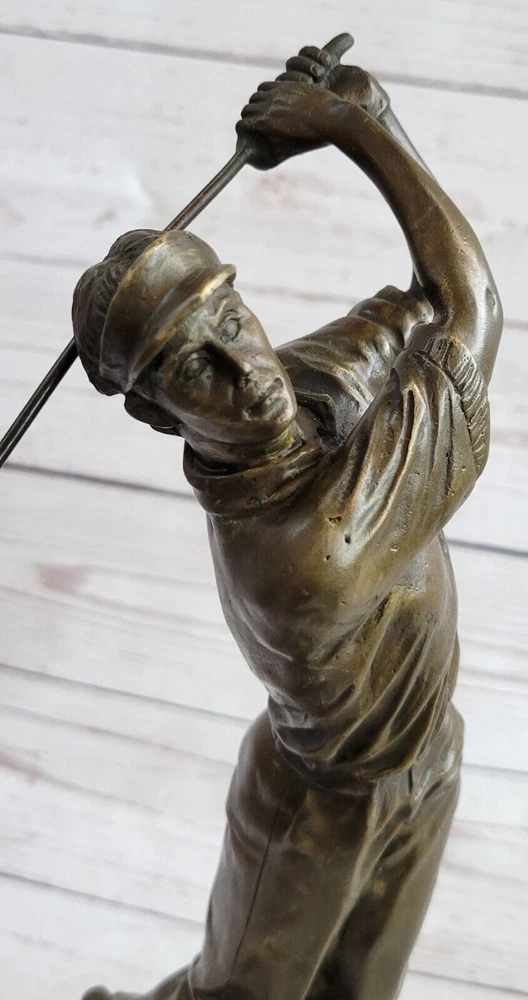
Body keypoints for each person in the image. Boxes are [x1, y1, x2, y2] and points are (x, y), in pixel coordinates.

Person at [74, 43, 502, 1000]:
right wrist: (354, 130)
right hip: (317, 811)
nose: (244, 373)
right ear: (156, 413)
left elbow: (430, 297)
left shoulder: (298, 381)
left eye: (229, 321)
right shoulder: (303, 555)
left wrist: (371, 112)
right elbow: (473, 313)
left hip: (426, 755)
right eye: (194, 368)